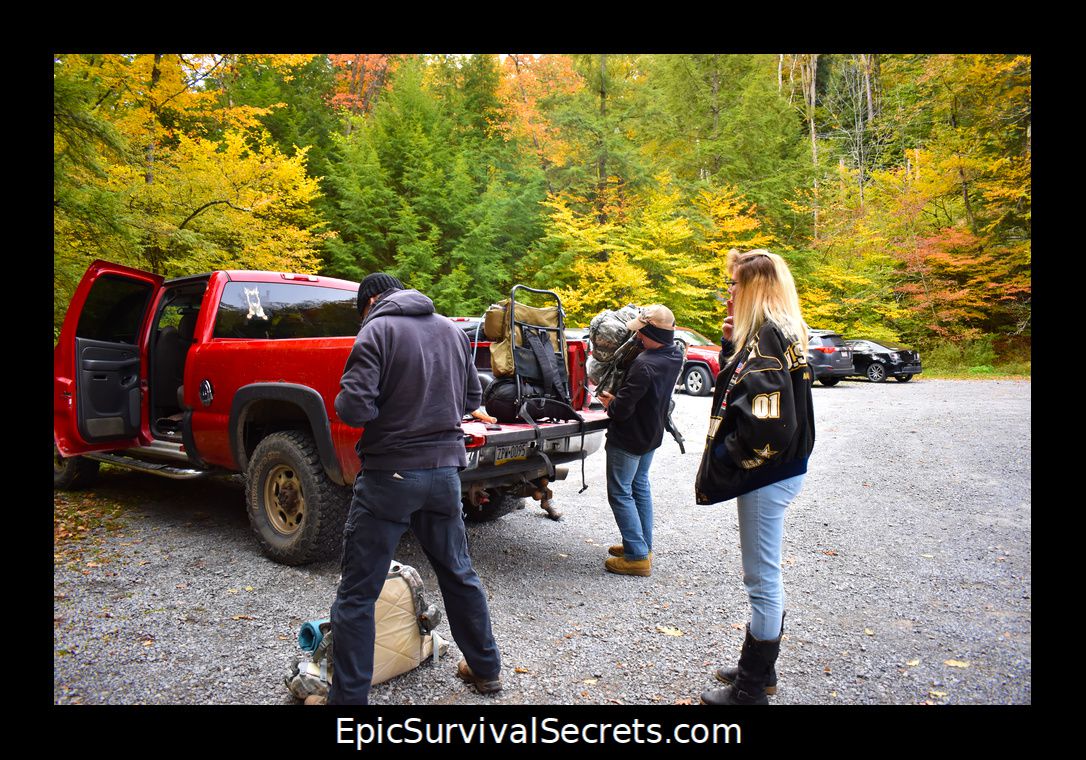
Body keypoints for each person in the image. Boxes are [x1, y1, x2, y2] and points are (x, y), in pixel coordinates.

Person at [326, 272, 502, 705]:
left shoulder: (376, 330)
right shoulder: (452, 331)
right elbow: (471, 399)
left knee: (358, 592)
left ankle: (347, 702)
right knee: (458, 572)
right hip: (445, 474)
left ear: (370, 302)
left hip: (390, 476)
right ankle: (486, 670)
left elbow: (353, 409)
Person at [695, 250, 815, 706]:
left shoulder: (767, 337)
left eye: (735, 284)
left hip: (768, 474)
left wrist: (728, 457)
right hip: (783, 470)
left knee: (761, 579)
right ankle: (761, 669)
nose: (729, 292)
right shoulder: (783, 330)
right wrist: (730, 346)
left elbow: (768, 424)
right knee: (764, 576)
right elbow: (745, 388)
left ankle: (751, 687)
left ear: (755, 288)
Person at [597, 304, 684, 577]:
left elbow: (622, 410)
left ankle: (636, 557)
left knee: (620, 492)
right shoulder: (675, 354)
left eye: (641, 332)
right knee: (640, 487)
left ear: (651, 332)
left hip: (629, 437)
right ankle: (642, 545)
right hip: (651, 433)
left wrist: (610, 403)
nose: (637, 337)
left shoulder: (644, 364)